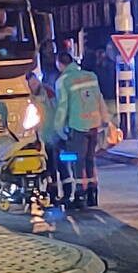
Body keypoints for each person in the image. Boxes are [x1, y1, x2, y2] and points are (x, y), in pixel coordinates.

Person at [54, 52, 110, 209]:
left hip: (77, 126)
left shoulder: (63, 81)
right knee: (90, 159)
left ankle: (80, 195)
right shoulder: (91, 76)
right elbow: (99, 98)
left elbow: (62, 107)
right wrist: (105, 120)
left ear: (59, 64)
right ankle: (93, 194)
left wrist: (59, 129)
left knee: (77, 162)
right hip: (93, 125)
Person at [26, 71, 65, 201]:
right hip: (38, 135)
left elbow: (57, 109)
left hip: (51, 134)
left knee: (55, 164)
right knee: (46, 165)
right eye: (31, 82)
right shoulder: (28, 96)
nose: (34, 84)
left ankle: (57, 191)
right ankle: (50, 190)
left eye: (34, 81)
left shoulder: (47, 92)